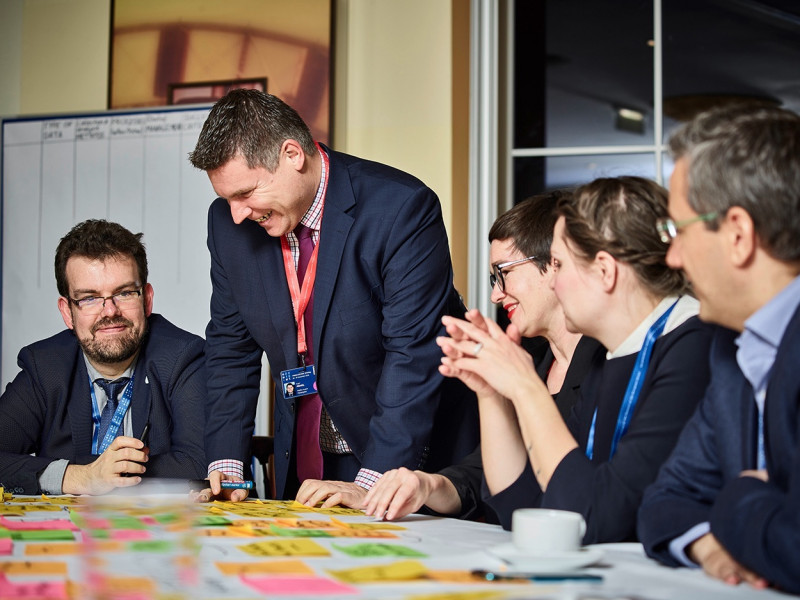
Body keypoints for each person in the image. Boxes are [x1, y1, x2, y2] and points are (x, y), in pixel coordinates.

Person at [188, 89, 477, 504]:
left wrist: (373, 485)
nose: (236, 213)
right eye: (226, 198)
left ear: (292, 154)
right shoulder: (229, 225)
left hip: (402, 454)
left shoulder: (402, 210)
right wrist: (227, 468)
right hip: (305, 453)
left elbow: (413, 356)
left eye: (245, 193)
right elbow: (231, 347)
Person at [436, 177, 714, 543]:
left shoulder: (692, 344)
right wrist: (491, 393)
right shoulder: (615, 353)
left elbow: (598, 517)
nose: (554, 282)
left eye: (559, 265)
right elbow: (528, 508)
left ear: (605, 270)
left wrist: (525, 387)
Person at [637, 105, 800, 593]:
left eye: (678, 230)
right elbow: (666, 499)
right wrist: (710, 543)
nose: (672, 256)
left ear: (737, 235)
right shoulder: (733, 348)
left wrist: (737, 498)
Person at [363, 191, 603, 521]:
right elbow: (480, 476)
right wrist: (428, 485)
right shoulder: (530, 358)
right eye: (494, 278)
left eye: (503, 272)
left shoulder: (609, 361)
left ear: (555, 264)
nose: (495, 294)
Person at [0, 220, 207, 496]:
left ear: (146, 299)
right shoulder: (44, 366)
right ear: (67, 312)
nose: (109, 311)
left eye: (124, 293)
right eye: (89, 298)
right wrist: (80, 477)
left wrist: (106, 477)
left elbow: (199, 463)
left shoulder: (183, 358)